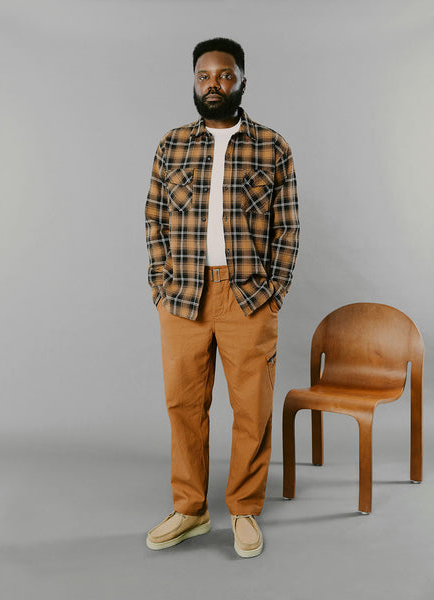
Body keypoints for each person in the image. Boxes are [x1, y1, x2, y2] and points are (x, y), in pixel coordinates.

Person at [144, 37, 299, 558]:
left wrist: (273, 291)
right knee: (184, 405)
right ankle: (190, 508)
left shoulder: (272, 146)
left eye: (225, 75)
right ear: (194, 82)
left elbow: (288, 227)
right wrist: (160, 285)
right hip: (183, 295)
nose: (215, 84)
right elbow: (154, 219)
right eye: (205, 75)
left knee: (251, 408)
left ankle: (244, 510)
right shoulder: (172, 145)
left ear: (242, 81)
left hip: (248, 296)